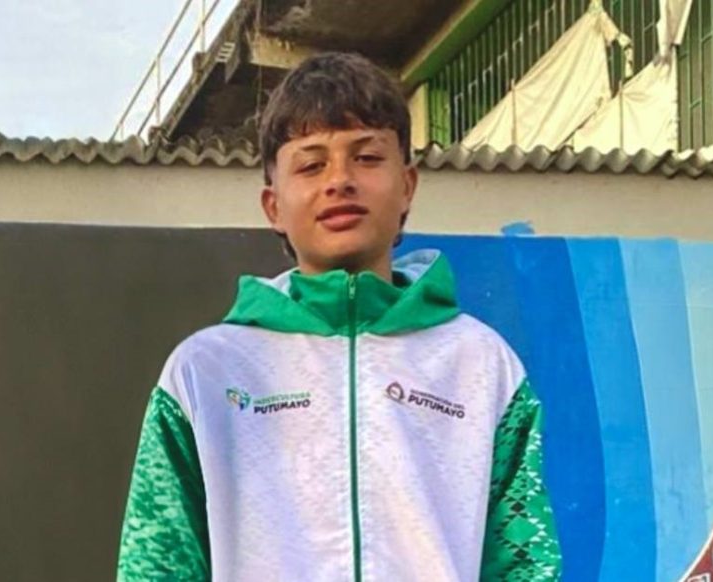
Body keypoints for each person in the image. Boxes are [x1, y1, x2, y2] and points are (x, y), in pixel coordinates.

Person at [117, 52, 561, 581]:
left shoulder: (481, 365)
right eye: (311, 165)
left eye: (367, 157)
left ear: (408, 186)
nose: (339, 181)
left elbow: (524, 566)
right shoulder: (205, 373)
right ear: (273, 206)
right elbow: (157, 567)